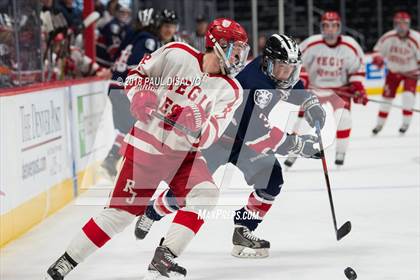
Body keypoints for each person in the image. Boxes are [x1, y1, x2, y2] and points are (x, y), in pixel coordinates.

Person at [43, 18, 250, 280]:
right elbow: (136, 75)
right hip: (145, 149)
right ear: (217, 45)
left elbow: (210, 135)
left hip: (184, 157)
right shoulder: (177, 52)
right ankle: (66, 260)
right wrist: (140, 95)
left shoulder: (231, 90)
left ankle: (163, 260)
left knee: (207, 193)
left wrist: (196, 119)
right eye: (234, 49)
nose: (238, 56)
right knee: (119, 215)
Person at [133, 34, 325, 258]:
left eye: (290, 68)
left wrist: (309, 101)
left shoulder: (270, 72)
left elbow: (291, 87)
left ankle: (243, 229)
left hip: (243, 142)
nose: (286, 74)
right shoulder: (254, 86)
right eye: (281, 67)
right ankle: (152, 212)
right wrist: (298, 145)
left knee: (272, 180)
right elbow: (257, 134)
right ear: (268, 62)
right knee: (187, 192)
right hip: (216, 139)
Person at [284, 11, 368, 167]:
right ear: (322, 27)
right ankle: (293, 154)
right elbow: (297, 62)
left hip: (340, 91)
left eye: (333, 26)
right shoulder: (312, 43)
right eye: (326, 26)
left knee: (344, 119)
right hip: (316, 90)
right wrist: (303, 80)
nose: (330, 29)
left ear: (339, 27)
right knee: (304, 124)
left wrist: (358, 87)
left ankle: (340, 153)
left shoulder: (350, 44)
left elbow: (358, 68)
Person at [101, 8, 161, 178]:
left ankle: (116, 162)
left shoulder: (133, 37)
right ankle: (113, 160)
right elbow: (135, 66)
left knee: (128, 128)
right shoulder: (148, 40)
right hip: (123, 87)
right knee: (134, 128)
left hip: (116, 85)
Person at [371, 11, 420, 135]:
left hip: (411, 73)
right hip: (394, 72)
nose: (401, 26)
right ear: (395, 24)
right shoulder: (388, 37)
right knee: (386, 99)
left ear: (408, 24)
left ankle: (405, 123)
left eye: (404, 24)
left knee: (408, 97)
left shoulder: (416, 38)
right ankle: (379, 124)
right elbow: (377, 50)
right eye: (399, 23)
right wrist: (378, 58)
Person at [96, 4, 132, 68]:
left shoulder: (125, 26)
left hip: (109, 61)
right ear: (117, 12)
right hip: (103, 62)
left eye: (127, 13)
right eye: (122, 12)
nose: (125, 15)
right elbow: (113, 50)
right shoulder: (113, 26)